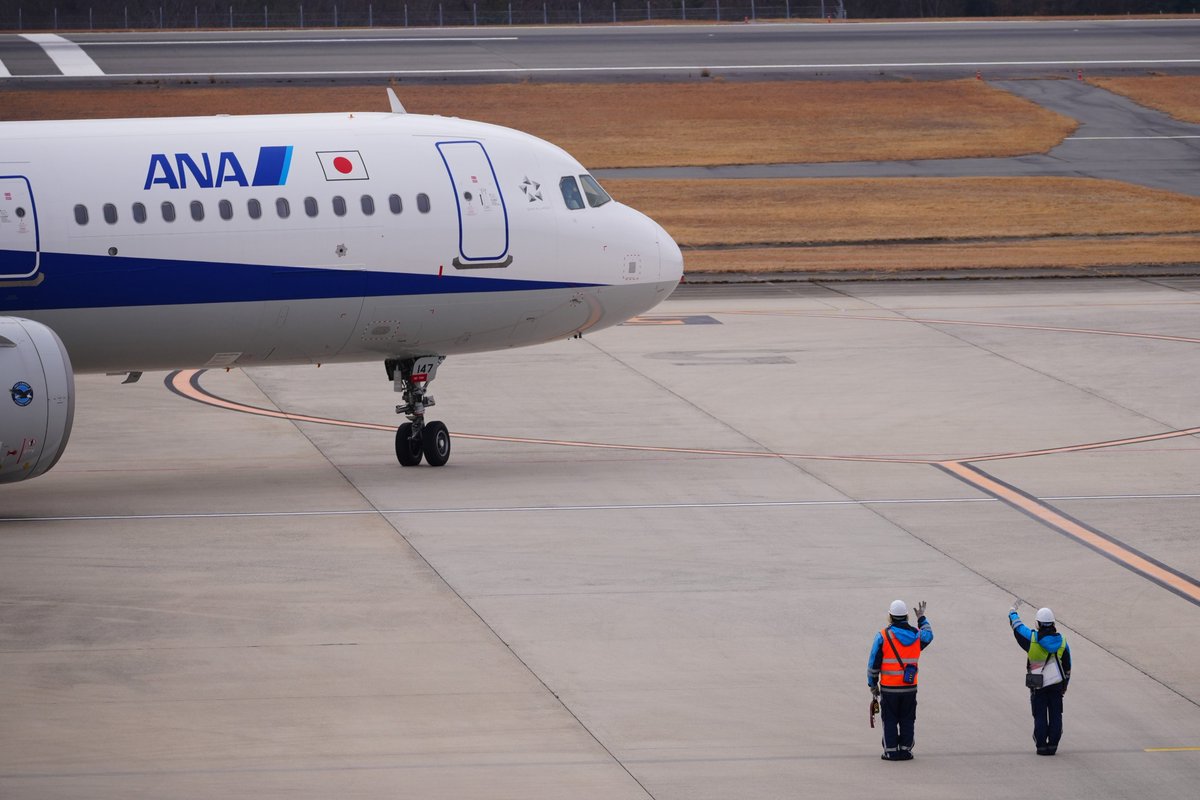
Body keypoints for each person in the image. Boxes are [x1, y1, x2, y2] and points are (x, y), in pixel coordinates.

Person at [867, 599, 933, 761]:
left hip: (889, 688)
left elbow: (873, 663)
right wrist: (922, 618)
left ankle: (890, 751)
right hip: (909, 687)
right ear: (907, 616)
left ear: (890, 616)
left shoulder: (883, 636)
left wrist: (872, 684)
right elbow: (929, 635)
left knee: (889, 719)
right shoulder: (917, 636)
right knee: (907, 718)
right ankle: (905, 750)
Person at [1009, 599, 1072, 755]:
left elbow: (1017, 627)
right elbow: (1068, 667)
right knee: (1056, 714)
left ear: (1037, 624)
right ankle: (1053, 745)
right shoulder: (1063, 642)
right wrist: (1064, 686)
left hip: (1038, 684)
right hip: (1057, 684)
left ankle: (1041, 746)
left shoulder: (1032, 639)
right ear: (1053, 623)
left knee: (1039, 714)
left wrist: (1012, 611)